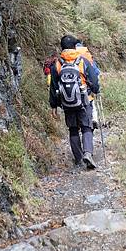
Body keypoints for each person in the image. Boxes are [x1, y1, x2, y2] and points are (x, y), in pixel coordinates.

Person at [50, 35, 100, 169]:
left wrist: (53, 106)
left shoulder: (57, 64)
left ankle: (78, 159)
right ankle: (88, 154)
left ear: (62, 48)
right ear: (74, 47)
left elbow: (53, 86)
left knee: (73, 129)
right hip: (85, 100)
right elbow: (94, 81)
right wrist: (95, 90)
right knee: (86, 127)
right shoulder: (82, 60)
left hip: (67, 103)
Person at [75, 41, 100, 130]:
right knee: (91, 101)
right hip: (88, 86)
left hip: (75, 90)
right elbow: (96, 71)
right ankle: (94, 118)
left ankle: (78, 122)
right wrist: (96, 88)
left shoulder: (71, 56)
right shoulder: (87, 55)